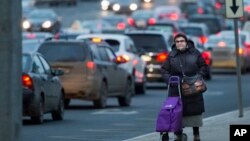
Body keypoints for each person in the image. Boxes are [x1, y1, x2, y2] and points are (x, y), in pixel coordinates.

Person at [161, 33, 209, 141]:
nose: (179, 43)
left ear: (186, 42)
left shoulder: (195, 53)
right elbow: (164, 70)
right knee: (177, 112)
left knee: (194, 111)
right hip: (176, 88)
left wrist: (199, 77)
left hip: (193, 87)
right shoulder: (171, 55)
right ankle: (178, 134)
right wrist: (170, 80)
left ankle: (196, 134)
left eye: (182, 41)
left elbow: (203, 66)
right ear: (175, 43)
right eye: (177, 42)